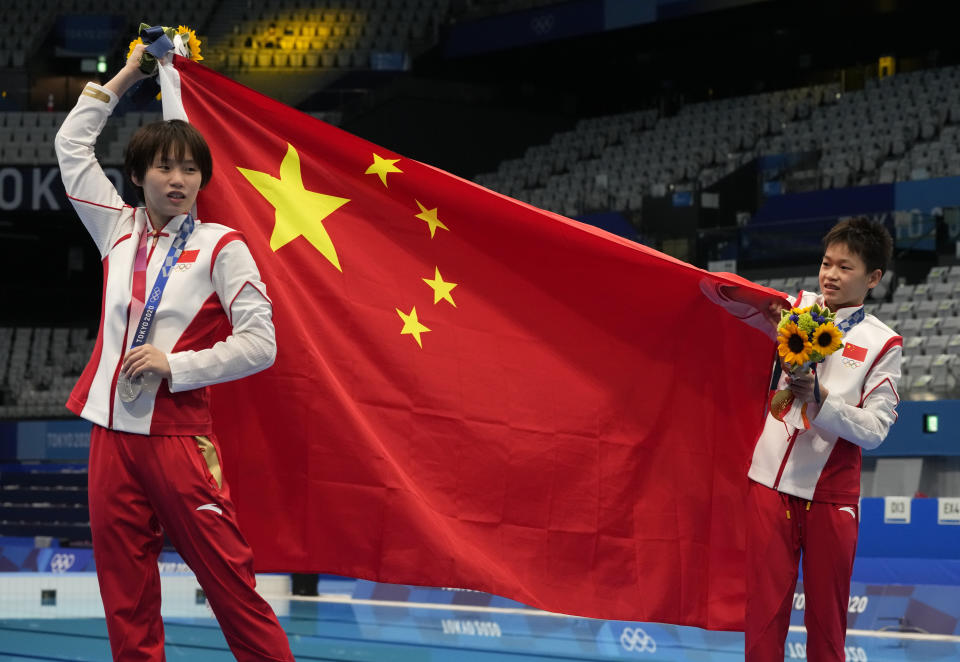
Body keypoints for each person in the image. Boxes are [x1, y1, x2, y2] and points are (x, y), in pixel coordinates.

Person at [55, 43, 295, 661]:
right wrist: (132, 70)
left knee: (232, 590)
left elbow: (261, 344)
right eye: (164, 167)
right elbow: (71, 147)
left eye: (190, 170)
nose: (179, 180)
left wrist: (176, 366)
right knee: (126, 600)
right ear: (138, 175)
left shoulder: (223, 245)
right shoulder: (116, 226)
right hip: (111, 439)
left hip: (180, 442)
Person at [745, 217, 902, 661]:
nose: (830, 274)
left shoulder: (882, 343)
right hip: (769, 485)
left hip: (830, 496)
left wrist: (822, 400)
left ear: (873, 277)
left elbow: (874, 431)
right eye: (826, 263)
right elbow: (730, 301)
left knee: (827, 622)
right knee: (762, 615)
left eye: (845, 267)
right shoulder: (793, 307)